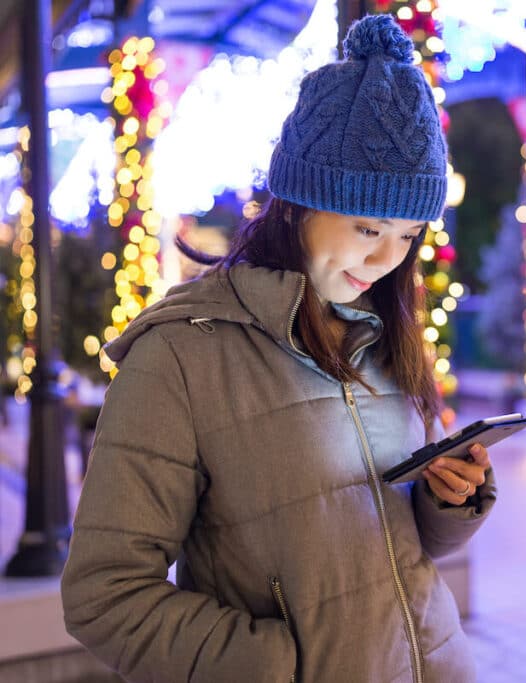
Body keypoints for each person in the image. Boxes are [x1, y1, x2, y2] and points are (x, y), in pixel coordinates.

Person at [61, 14, 495, 683]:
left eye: (408, 235)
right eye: (367, 226)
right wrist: (276, 666)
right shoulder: (182, 356)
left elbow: (397, 545)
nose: (385, 258)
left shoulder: (380, 337)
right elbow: (105, 593)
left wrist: (448, 500)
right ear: (294, 203)